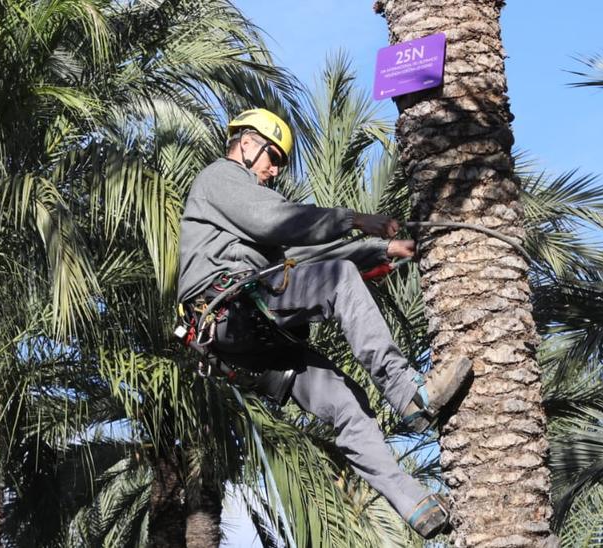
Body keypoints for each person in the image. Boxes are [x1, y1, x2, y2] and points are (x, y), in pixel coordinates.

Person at [175, 108, 472, 538]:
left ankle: (416, 506)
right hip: (234, 307)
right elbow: (277, 220)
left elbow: (299, 262)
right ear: (245, 142)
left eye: (278, 161)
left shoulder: (247, 228)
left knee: (347, 404)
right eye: (271, 156)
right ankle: (408, 393)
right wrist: (352, 218)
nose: (274, 169)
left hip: (255, 338)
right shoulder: (220, 178)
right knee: (338, 281)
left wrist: (383, 249)